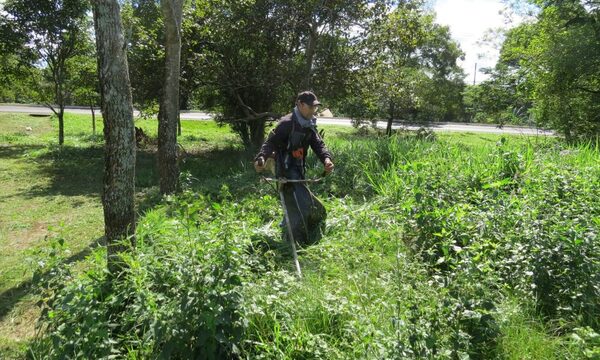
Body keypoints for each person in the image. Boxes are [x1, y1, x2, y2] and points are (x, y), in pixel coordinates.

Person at [254, 91, 334, 245]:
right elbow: (269, 143)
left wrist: (326, 159)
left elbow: (318, 144)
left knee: (296, 201)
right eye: (311, 107)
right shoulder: (286, 124)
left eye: (316, 108)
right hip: (283, 169)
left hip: (298, 167)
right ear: (300, 104)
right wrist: (261, 158)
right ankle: (295, 240)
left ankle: (291, 228)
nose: (313, 110)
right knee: (299, 203)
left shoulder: (309, 124)